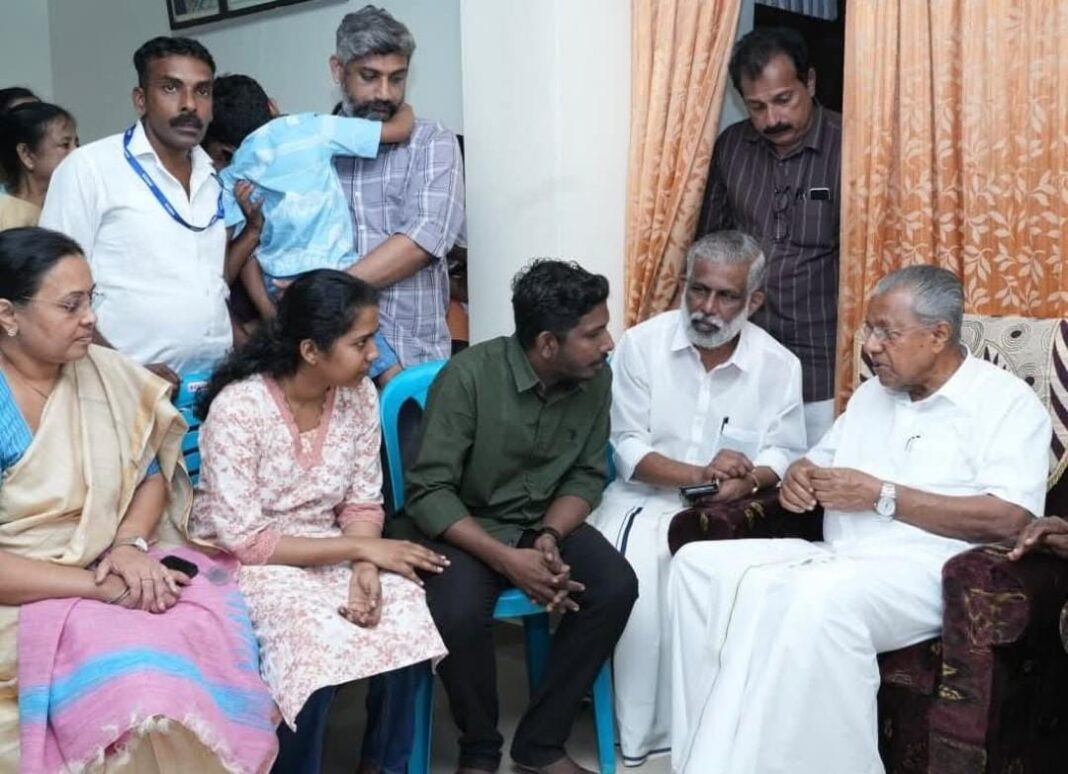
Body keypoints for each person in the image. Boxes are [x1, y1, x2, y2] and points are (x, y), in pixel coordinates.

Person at [668, 265, 1050, 774]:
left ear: (938, 335)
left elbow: (1010, 517)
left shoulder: (1004, 403)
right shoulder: (873, 395)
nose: (870, 347)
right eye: (869, 330)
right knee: (697, 566)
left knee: (814, 599)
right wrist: (800, 478)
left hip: (927, 573)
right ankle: (708, 756)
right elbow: (815, 463)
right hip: (838, 556)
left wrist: (883, 497)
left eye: (886, 333)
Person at [0, 227, 277, 772]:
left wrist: (129, 545)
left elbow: (152, 475)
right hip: (27, 593)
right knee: (139, 677)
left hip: (118, 566)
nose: (91, 319)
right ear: (7, 315)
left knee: (201, 627)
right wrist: (98, 587)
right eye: (70, 306)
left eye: (91, 299)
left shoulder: (107, 375)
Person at [188, 269, 449, 774]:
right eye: (361, 342)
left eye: (373, 338)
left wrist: (366, 569)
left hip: (330, 545)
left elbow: (362, 504)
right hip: (243, 562)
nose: (374, 354)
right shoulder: (239, 408)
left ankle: (386, 765)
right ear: (310, 350)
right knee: (310, 639)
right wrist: (361, 551)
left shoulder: (358, 395)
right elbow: (247, 540)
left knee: (404, 607)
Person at [397, 260, 638, 774]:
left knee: (615, 586)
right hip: (465, 525)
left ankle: (540, 743)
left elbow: (586, 474)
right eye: (593, 334)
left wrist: (550, 533)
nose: (608, 343)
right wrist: (507, 560)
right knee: (457, 612)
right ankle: (480, 748)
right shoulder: (468, 377)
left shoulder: (595, 379)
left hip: (541, 518)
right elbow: (429, 491)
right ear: (548, 344)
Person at [587, 230, 806, 765]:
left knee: (737, 589)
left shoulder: (779, 365)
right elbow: (626, 446)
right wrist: (699, 475)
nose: (707, 308)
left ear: (754, 300)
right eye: (699, 290)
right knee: (645, 572)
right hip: (641, 500)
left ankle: (712, 730)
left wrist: (747, 482)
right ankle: (642, 734)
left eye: (726, 296)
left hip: (727, 511)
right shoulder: (642, 345)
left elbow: (783, 451)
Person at [40, 37, 239, 385]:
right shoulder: (90, 168)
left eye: (202, 91)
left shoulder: (213, 178)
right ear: (140, 99)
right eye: (171, 88)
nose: (189, 104)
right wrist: (126, 374)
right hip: (116, 386)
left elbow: (211, 283)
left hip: (208, 385)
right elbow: (53, 288)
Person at [203, 72, 407, 382]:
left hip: (281, 286)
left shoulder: (232, 177)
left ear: (224, 149)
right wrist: (406, 110)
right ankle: (403, 402)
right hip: (335, 277)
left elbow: (241, 260)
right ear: (272, 106)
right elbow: (398, 130)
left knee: (309, 373)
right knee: (377, 361)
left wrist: (270, 313)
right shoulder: (309, 126)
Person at [697, 27, 842, 444]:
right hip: (746, 357)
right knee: (743, 473)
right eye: (756, 107)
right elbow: (710, 245)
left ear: (809, 82)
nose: (772, 120)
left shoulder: (851, 148)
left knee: (814, 474)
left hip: (823, 363)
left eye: (783, 100)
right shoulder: (732, 148)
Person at [330, 5, 466, 367]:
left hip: (414, 361)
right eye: (370, 77)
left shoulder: (431, 141)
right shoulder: (315, 148)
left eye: (397, 78)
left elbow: (423, 240)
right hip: (329, 366)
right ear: (338, 71)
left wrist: (327, 292)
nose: (385, 93)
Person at [0, 103, 77, 230]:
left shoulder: (76, 200)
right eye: (65, 145)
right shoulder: (4, 212)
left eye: (76, 143)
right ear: (27, 154)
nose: (76, 152)